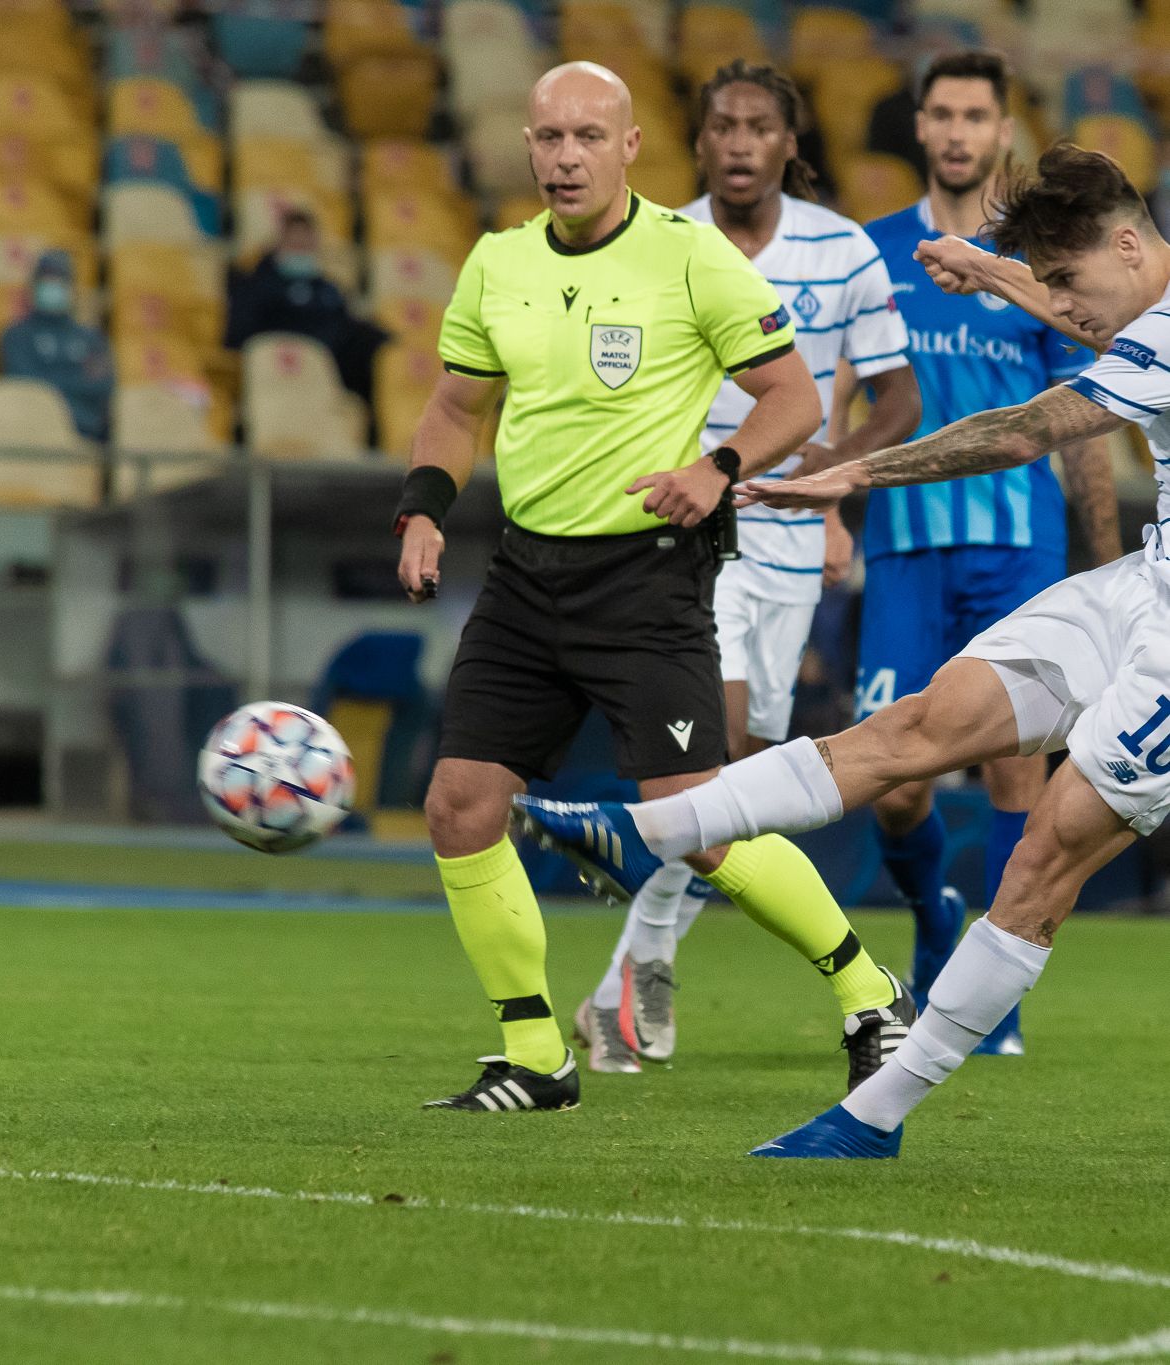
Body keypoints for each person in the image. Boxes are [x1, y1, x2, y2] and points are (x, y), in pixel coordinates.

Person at [513, 141, 1167, 1157]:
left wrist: (851, 476)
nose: (1069, 308)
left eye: (1070, 282)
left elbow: (1023, 430)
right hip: (1143, 583)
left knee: (1045, 856)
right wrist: (995, 269)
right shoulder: (1143, 302)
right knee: (922, 723)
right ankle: (642, 834)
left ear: (1130, 244)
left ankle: (874, 1118)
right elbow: (1100, 316)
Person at [395, 60, 912, 1115]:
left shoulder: (692, 261)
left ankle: (870, 995)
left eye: (589, 136)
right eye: (549, 138)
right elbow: (456, 407)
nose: (566, 157)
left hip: (647, 580)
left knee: (698, 826)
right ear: (528, 149)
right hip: (526, 578)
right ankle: (536, 1057)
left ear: (630, 148)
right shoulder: (498, 264)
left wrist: (714, 470)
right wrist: (419, 509)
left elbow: (794, 395)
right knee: (459, 806)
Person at [575, 59, 921, 1076]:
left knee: (735, 786)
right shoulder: (655, 241)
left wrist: (837, 476)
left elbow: (898, 397)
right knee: (714, 754)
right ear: (702, 139)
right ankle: (642, 980)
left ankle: (622, 986)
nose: (736, 141)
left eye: (757, 125)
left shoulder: (843, 249)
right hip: (685, 531)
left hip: (789, 544)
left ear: (787, 141)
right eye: (720, 123)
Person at [831, 51, 1120, 1053]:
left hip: (1017, 547)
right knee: (894, 785)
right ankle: (929, 918)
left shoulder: (1040, 265)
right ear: (920, 126)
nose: (958, 132)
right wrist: (831, 506)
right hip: (907, 550)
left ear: (1001, 132)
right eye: (943, 114)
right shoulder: (872, 254)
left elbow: (1081, 423)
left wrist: (1106, 565)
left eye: (976, 116)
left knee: (1015, 776)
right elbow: (842, 397)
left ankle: (990, 1004)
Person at [225, 207, 388, 405]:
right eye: (294, 244)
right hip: (279, 368)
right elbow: (239, 335)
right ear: (279, 244)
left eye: (305, 245)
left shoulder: (329, 289)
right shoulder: (254, 285)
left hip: (332, 372)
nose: (300, 251)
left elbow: (348, 327)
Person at [0, 249, 114, 443]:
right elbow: (23, 383)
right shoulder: (16, 336)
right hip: (33, 433)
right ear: (34, 286)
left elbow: (101, 385)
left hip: (86, 432)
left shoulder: (92, 339)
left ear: (71, 287)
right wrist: (75, 385)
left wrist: (52, 385)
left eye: (59, 280)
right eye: (46, 280)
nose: (53, 286)